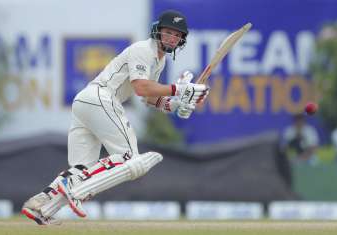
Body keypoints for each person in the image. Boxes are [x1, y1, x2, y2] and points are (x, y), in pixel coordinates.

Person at [21, 10, 209, 225]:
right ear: (157, 31)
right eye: (168, 32)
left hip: (86, 102)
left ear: (181, 40)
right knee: (130, 159)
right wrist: (178, 89)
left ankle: (39, 205)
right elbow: (140, 87)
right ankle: (78, 184)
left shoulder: (160, 61)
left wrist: (177, 104)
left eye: (177, 35)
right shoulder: (143, 50)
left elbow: (149, 97)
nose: (172, 38)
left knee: (82, 167)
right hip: (101, 97)